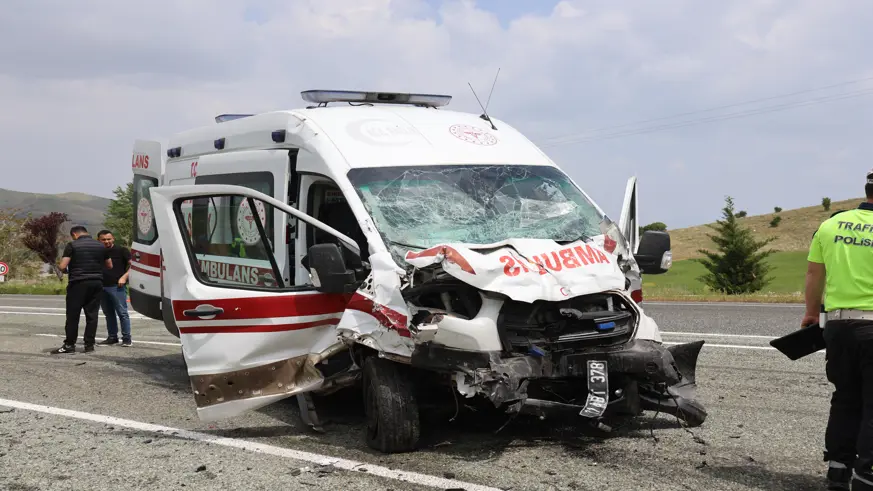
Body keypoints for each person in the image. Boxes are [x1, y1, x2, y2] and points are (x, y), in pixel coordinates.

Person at [802, 169, 873, 490]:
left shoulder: (831, 225)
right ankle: (867, 476)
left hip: (839, 325)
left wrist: (811, 314)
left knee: (845, 397)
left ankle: (838, 469)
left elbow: (814, 274)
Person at [52, 226, 112, 354]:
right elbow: (109, 265)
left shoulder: (72, 245)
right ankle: (89, 345)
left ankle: (69, 345)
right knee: (92, 315)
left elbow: (62, 266)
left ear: (74, 234)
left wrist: (65, 269)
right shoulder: (100, 246)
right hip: (96, 282)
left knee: (73, 316)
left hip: (78, 283)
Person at [96, 229, 132, 347]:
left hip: (117, 286)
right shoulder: (97, 252)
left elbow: (133, 265)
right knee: (108, 313)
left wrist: (124, 277)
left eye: (109, 239)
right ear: (98, 240)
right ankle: (112, 337)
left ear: (113, 239)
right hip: (101, 286)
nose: (106, 241)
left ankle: (126, 338)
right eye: (103, 240)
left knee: (122, 313)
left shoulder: (122, 250)